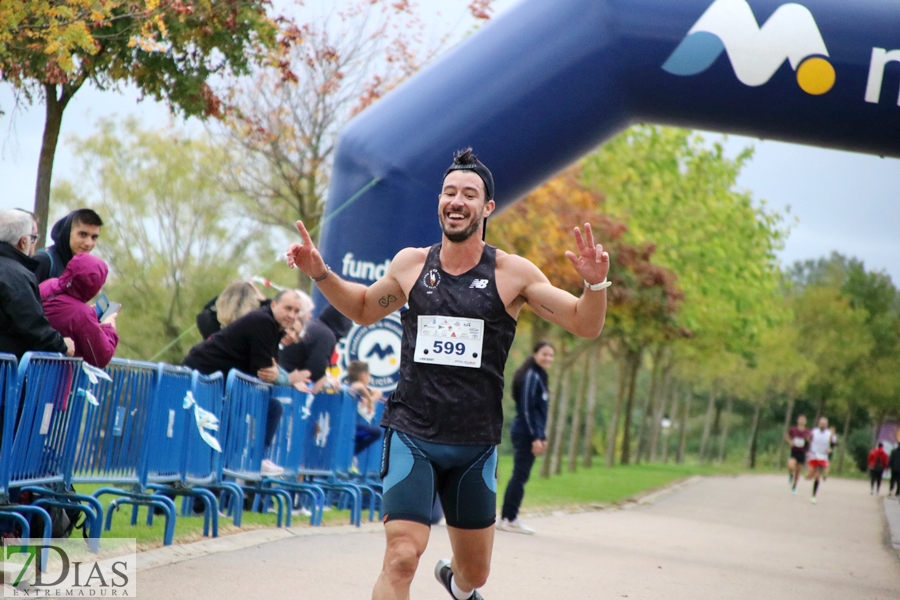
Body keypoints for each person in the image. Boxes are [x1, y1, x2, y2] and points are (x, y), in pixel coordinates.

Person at [286, 148, 609, 600]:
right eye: (449, 192)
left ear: (487, 208)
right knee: (402, 554)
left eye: (469, 194)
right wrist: (320, 273)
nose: (457, 201)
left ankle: (457, 585)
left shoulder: (511, 274)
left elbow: (584, 323)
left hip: (474, 443)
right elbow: (361, 308)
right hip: (412, 431)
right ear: (439, 201)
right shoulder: (412, 264)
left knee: (475, 574)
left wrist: (594, 285)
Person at [183, 289, 304, 476]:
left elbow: (267, 368)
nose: (292, 315)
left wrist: (276, 373)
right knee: (201, 442)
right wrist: (287, 378)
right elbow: (262, 370)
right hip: (203, 379)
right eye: (288, 308)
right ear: (274, 305)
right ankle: (256, 460)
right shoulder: (263, 322)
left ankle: (208, 496)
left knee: (220, 440)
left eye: (296, 311)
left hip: (220, 385)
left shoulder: (273, 325)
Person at [0, 209, 74, 359]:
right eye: (33, 237)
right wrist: (62, 345)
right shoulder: (17, 275)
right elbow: (33, 326)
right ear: (24, 241)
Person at [497, 341, 554, 535]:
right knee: (519, 475)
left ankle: (507, 517)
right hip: (525, 433)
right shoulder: (531, 376)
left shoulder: (539, 376)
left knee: (520, 475)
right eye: (544, 354)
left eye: (551, 355)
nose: (548, 358)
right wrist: (536, 437)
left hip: (530, 432)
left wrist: (542, 435)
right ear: (535, 354)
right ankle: (509, 518)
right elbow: (527, 410)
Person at [39, 253, 119, 368]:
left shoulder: (49, 284)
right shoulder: (82, 314)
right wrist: (109, 327)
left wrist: (86, 313)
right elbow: (100, 357)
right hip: (54, 376)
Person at [279, 304, 348, 393]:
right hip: (286, 387)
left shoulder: (313, 326)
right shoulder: (326, 335)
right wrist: (323, 378)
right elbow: (315, 369)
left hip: (283, 377)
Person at [33, 208, 103, 283]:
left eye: (94, 237)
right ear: (67, 232)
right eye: (83, 235)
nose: (88, 243)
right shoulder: (44, 261)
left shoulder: (84, 268)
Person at [196, 280, 268, 340]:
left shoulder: (210, 324)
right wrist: (262, 299)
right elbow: (270, 313)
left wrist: (231, 291)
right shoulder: (252, 329)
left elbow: (206, 309)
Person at [346, 360, 384, 458]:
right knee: (375, 432)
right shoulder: (353, 386)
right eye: (369, 376)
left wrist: (370, 399)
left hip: (350, 426)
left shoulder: (361, 388)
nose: (369, 379)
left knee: (375, 432)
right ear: (363, 376)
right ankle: (351, 456)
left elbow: (378, 392)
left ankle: (351, 456)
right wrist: (370, 401)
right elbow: (358, 386)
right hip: (346, 427)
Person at [806, 417, 834, 504]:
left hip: (822, 456)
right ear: (818, 424)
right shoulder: (814, 432)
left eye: (824, 424)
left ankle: (814, 495)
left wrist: (830, 449)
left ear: (826, 425)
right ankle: (809, 475)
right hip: (813, 455)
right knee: (810, 475)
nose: (822, 425)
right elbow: (808, 440)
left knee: (817, 476)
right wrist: (807, 450)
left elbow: (833, 444)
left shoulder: (829, 434)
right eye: (821, 423)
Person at [784, 414, 811, 495]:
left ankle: (794, 487)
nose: (802, 421)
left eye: (803, 419)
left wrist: (808, 447)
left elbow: (810, 441)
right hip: (794, 451)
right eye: (800, 419)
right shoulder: (793, 429)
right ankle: (790, 475)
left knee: (798, 471)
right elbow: (786, 436)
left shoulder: (808, 431)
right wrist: (790, 442)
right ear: (798, 421)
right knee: (790, 465)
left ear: (805, 422)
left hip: (802, 452)